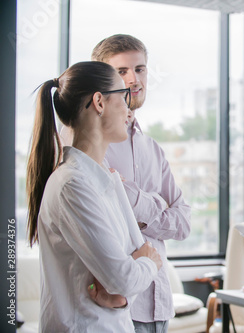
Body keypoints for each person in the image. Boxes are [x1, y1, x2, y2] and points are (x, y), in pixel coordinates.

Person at [61, 34, 191, 332]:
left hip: (158, 305)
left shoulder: (152, 148)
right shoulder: (83, 142)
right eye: (121, 71)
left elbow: (183, 223)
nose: (134, 79)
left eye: (140, 69)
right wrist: (157, 205)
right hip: (112, 304)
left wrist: (134, 202)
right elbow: (102, 212)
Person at [26, 61, 163, 332]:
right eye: (124, 96)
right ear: (99, 102)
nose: (129, 108)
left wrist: (123, 295)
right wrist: (151, 263)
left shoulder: (105, 178)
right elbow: (126, 275)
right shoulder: (72, 185)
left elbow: (124, 282)